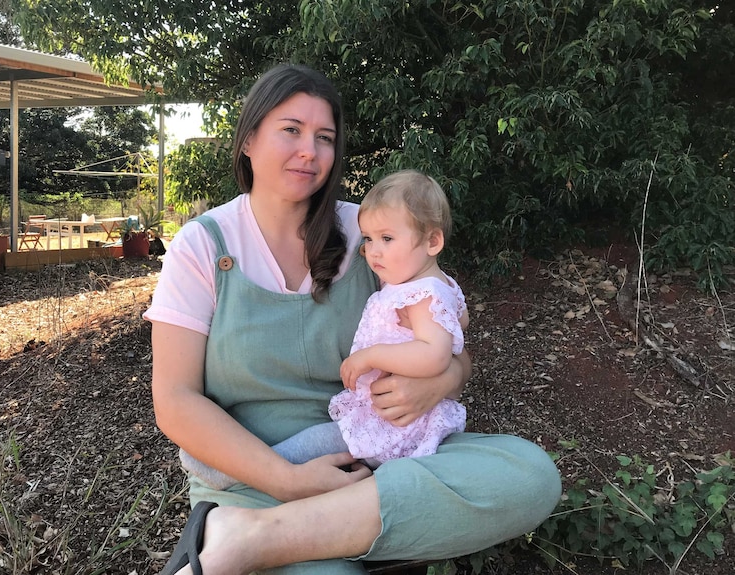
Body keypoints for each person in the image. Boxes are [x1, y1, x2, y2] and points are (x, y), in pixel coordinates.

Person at [144, 63, 561, 575]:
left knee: (529, 475)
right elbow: (175, 401)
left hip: (366, 460)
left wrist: (445, 378)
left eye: (325, 137)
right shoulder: (202, 246)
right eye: (291, 130)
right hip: (247, 477)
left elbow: (445, 335)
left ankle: (252, 541)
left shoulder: (368, 232)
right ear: (249, 139)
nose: (309, 151)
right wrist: (286, 480)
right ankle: (256, 525)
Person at [179, 169, 469, 490]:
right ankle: (250, 469)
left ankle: (234, 472)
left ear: (433, 241)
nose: (373, 251)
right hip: (383, 411)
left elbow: (438, 353)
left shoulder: (422, 292)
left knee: (318, 443)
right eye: (369, 239)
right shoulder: (424, 285)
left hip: (393, 418)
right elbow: (458, 325)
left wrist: (374, 356)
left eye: (386, 239)